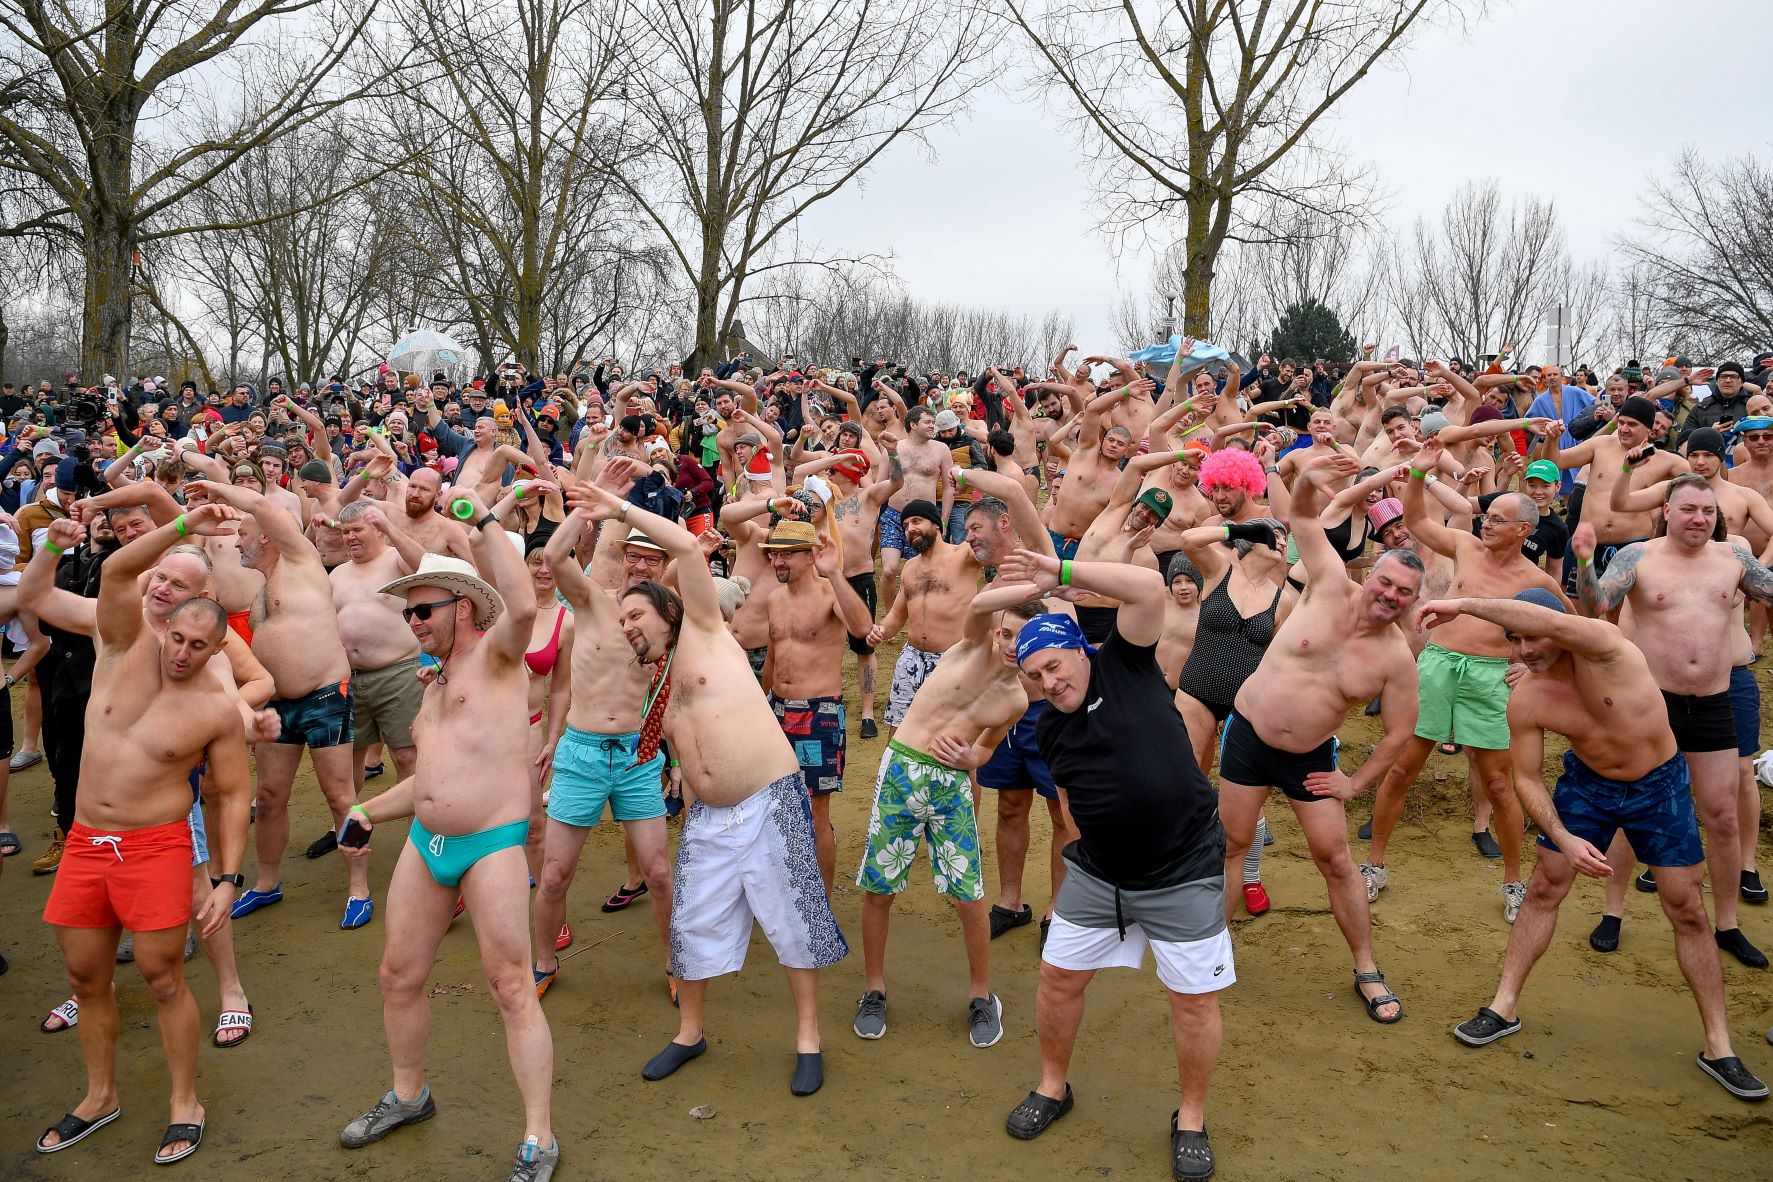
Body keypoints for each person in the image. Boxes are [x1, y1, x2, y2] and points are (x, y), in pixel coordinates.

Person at [568, 480, 846, 1097]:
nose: (627, 627)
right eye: (622, 620)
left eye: (635, 614)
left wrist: (618, 510)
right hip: (709, 819)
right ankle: (690, 1033)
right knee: (692, 926)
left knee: (793, 921)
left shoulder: (706, 631)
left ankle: (808, 1039)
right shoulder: (656, 685)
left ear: (668, 612)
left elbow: (689, 554)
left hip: (770, 800)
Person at [1435, 591, 1769, 1101]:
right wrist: (1564, 838)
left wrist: (1463, 603)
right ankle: (1502, 1007)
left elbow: (1548, 619)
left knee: (1686, 907)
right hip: (1587, 786)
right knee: (1545, 885)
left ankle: (1719, 1046)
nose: (1524, 649)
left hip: (1659, 785)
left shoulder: (1608, 648)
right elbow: (1525, 777)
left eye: (1533, 635)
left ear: (1562, 627)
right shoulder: (1530, 695)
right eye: (1515, 640)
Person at [338, 486, 561, 1182]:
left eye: (424, 610)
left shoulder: (496, 658)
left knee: (509, 986)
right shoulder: (431, 682)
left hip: (490, 844)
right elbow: (430, 779)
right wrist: (372, 809)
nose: (413, 622)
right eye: (407, 612)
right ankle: (409, 1094)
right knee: (398, 976)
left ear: (462, 608)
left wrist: (484, 516)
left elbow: (523, 605)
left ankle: (538, 1136)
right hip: (425, 845)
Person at [29, 504, 257, 1163]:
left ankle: (186, 1101)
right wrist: (182, 527)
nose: (183, 653)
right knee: (84, 977)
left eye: (198, 645)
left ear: (218, 648)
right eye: (177, 638)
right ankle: (100, 1095)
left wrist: (226, 879)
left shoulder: (215, 708)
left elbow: (236, 794)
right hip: (85, 843)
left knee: (162, 977)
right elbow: (120, 567)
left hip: (154, 846)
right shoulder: (120, 638)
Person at [998, 550, 1230, 1182]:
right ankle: (1052, 1086)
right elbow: (1069, 803)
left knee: (1192, 1000)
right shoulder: (1047, 726)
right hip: (1100, 877)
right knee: (1057, 979)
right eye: (1034, 674)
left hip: (1183, 868)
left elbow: (1148, 586)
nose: (1048, 681)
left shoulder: (1125, 664)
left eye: (1053, 665)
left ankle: (1189, 1118)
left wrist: (1059, 571)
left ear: (1080, 650)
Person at [1216, 454, 1423, 1024]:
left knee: (1334, 859)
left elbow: (1399, 731)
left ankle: (1366, 967)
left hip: (1311, 758)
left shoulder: (1395, 659)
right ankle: (1210, 952)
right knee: (1232, 845)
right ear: (1371, 574)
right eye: (1385, 581)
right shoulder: (1330, 584)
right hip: (1248, 737)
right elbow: (1305, 519)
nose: (1389, 595)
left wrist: (1354, 781)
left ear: (1412, 600)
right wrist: (1307, 478)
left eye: (1404, 592)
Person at [1362, 438, 1568, 920]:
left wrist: (1534, 665)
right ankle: (1374, 864)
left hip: (1492, 677)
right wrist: (1417, 475)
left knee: (1499, 784)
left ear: (1523, 529)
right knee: (1402, 767)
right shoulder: (1465, 547)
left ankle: (1515, 882)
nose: (1486, 524)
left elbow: (1568, 628)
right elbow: (1416, 522)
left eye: (1497, 519)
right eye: (1487, 517)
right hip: (1437, 665)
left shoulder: (1537, 582)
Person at [1575, 475, 1773, 967]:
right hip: (1650, 705)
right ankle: (1613, 912)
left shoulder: (1734, 559)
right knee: (1630, 812)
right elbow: (1598, 604)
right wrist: (1582, 562)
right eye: (1688, 510)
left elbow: (1770, 591)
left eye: (1707, 511)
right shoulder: (1639, 556)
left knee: (1722, 816)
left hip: (1712, 703)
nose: (1699, 519)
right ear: (1667, 510)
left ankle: (1726, 923)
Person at [852, 587, 1032, 1049]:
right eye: (1008, 633)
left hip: (951, 785)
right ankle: (874, 989)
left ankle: (981, 996)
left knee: (969, 896)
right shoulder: (969, 646)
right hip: (902, 771)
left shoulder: (1016, 700)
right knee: (880, 887)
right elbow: (976, 606)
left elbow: (987, 748)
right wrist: (1039, 581)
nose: (1013, 645)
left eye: (1024, 637)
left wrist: (971, 755)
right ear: (996, 632)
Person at [197, 480, 372, 929]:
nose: (236, 543)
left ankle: (359, 888)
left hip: (326, 696)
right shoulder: (262, 586)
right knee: (270, 797)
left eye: (242, 536)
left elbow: (257, 501)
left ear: (268, 537)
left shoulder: (302, 560)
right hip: (277, 704)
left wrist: (203, 470)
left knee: (340, 796)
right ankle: (267, 883)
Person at [532, 479, 677, 1002]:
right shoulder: (592, 601)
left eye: (651, 561)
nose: (641, 567)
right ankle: (544, 963)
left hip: (639, 754)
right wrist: (589, 506)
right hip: (583, 752)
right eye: (634, 557)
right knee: (553, 875)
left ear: (663, 568)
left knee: (660, 874)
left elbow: (678, 692)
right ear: (621, 557)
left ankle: (674, 963)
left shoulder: (671, 617)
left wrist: (677, 758)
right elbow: (552, 552)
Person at [760, 518, 873, 890]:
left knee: (816, 811)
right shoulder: (774, 599)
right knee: (777, 803)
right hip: (777, 710)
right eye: (776, 554)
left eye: (789, 554)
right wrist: (762, 703)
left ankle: (820, 898)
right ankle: (787, 883)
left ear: (811, 556)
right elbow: (774, 658)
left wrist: (835, 574)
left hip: (818, 714)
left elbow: (862, 628)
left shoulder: (829, 594)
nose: (780, 561)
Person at [328, 499, 428, 794]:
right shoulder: (337, 574)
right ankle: (348, 828)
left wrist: (390, 527)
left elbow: (426, 564)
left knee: (406, 754)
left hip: (398, 673)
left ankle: (415, 831)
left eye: (357, 530)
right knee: (349, 758)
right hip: (350, 679)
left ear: (378, 530)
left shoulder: (396, 559)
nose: (350, 537)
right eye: (346, 532)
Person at [868, 498, 983, 729]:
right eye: (906, 525)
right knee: (899, 728)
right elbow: (897, 616)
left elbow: (999, 543)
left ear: (936, 525)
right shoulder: (910, 567)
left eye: (917, 521)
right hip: (911, 659)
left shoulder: (964, 555)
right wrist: (880, 630)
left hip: (951, 659)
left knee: (947, 731)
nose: (910, 529)